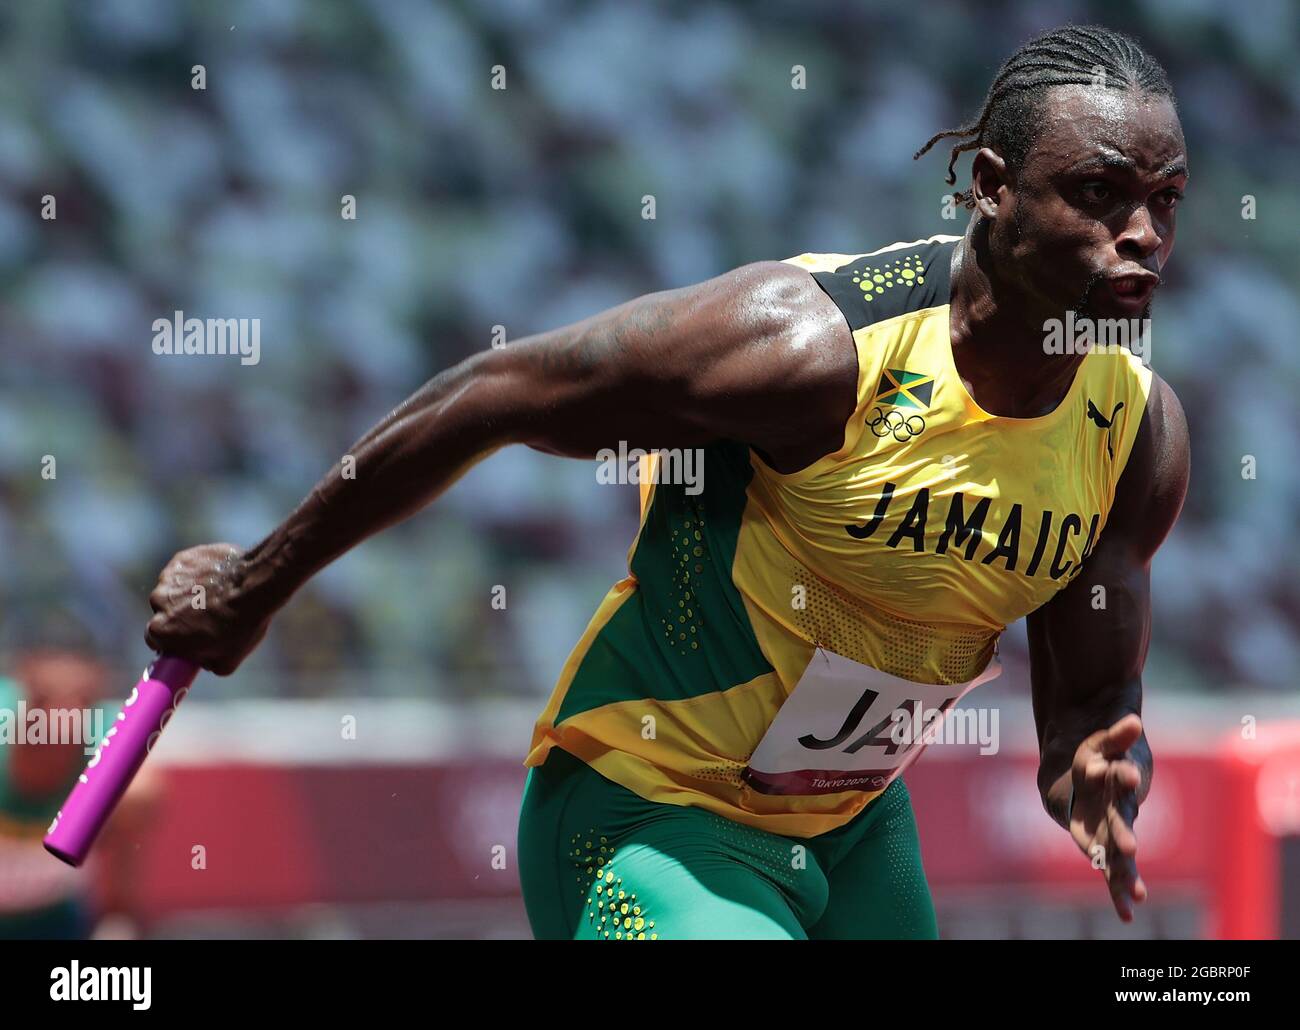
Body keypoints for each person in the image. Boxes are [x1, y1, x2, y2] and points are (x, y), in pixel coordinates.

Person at [144, 24, 1190, 939]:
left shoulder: (1134, 435)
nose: (1140, 235)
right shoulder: (807, 350)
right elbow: (495, 389)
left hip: (851, 830)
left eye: (1164, 200)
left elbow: (1088, 697)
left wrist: (1087, 764)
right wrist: (254, 585)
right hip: (651, 804)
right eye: (1096, 195)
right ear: (991, 186)